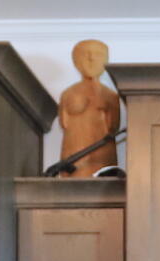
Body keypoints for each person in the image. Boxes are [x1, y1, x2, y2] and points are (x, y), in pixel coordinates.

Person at [51, 38, 124, 176]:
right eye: (85, 54)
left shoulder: (110, 95)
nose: (91, 58)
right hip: (74, 151)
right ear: (76, 60)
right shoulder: (68, 93)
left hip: (102, 153)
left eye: (98, 54)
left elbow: (113, 126)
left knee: (102, 172)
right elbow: (64, 123)